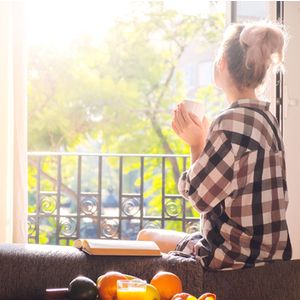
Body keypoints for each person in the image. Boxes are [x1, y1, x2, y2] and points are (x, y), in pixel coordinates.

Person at [137, 21, 292, 270]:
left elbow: (199, 197)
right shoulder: (268, 120)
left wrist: (196, 143)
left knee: (146, 237)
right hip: (273, 257)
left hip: (231, 256)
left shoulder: (228, 122)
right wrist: (209, 139)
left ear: (222, 64)